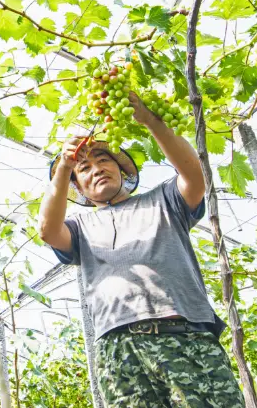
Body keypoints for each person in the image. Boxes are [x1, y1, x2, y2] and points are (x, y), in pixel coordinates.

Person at [39, 92, 244, 407]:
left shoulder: (163, 200)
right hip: (118, 345)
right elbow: (48, 230)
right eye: (85, 168)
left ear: (122, 171)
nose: (96, 169)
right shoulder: (80, 226)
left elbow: (195, 177)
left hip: (183, 332)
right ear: (76, 187)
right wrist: (63, 168)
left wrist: (150, 120)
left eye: (104, 160)